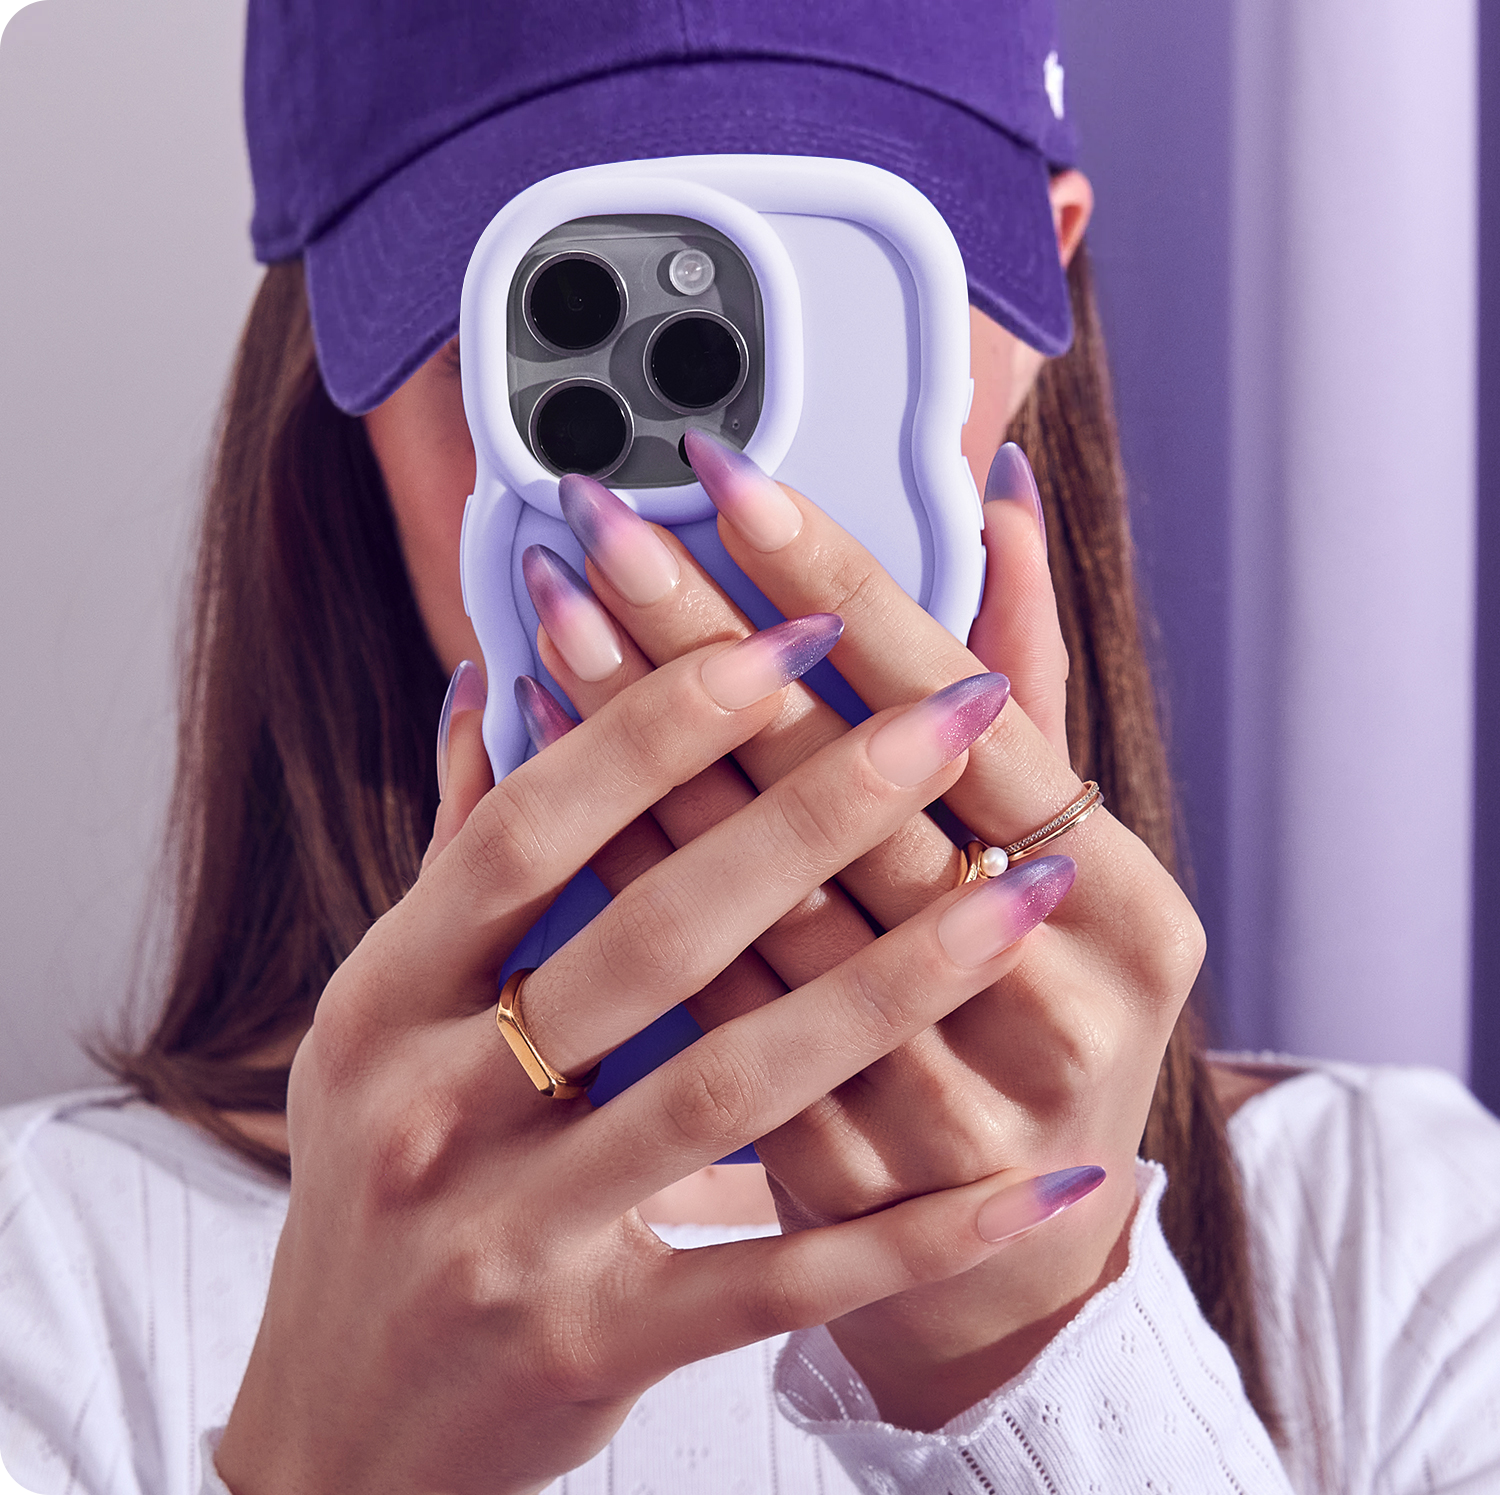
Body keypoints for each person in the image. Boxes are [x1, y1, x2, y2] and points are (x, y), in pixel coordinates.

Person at [3, 2, 1499, 1492]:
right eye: (567, 312)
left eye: (831, 300)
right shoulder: (49, 1275)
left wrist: (1050, 1359)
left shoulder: (1403, 1248)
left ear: (1041, 283)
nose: (722, 482)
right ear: (337, 369)